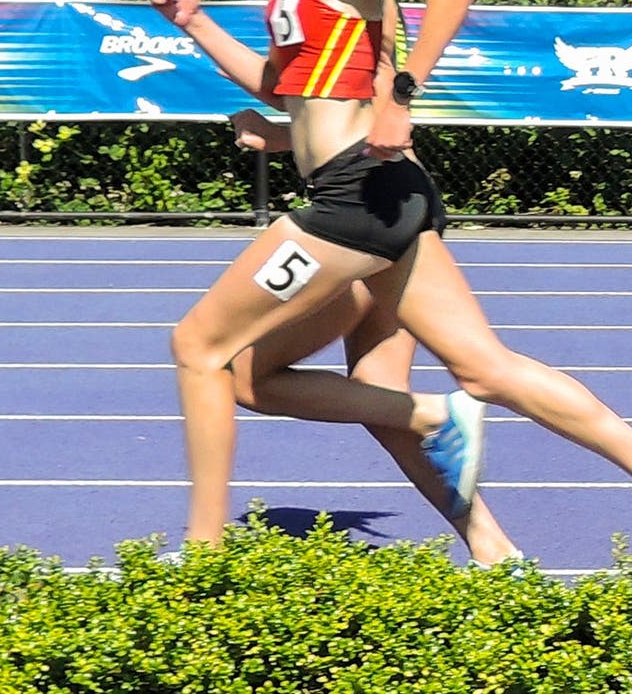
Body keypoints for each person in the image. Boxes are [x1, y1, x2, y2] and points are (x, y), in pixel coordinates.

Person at [148, 0, 632, 553]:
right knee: (478, 371)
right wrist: (198, 27)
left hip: (357, 197)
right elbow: (290, 90)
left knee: (201, 348)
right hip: (382, 189)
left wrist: (403, 99)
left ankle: (202, 555)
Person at [222, 108, 519, 565]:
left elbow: (367, 116)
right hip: (394, 219)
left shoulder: (341, 44)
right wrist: (279, 134)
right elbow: (349, 124)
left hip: (361, 231)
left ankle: (436, 413)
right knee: (380, 401)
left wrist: (206, 33)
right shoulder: (347, 55)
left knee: (242, 375)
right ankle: (493, 548)